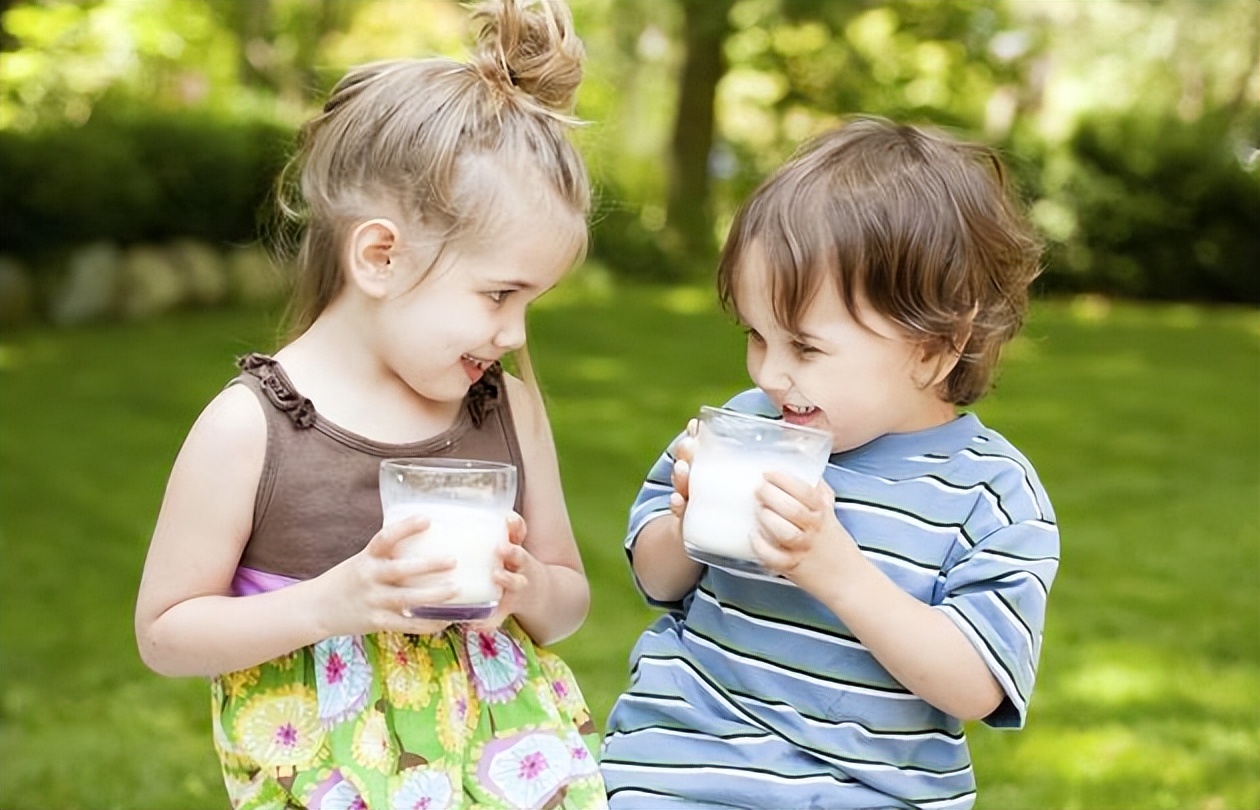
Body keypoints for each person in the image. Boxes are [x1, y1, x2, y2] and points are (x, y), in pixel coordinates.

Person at [134, 1, 608, 807]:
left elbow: (567, 597)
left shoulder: (508, 409)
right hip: (331, 775)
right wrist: (333, 602)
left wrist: (527, 588)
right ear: (380, 256)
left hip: (507, 766)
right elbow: (166, 634)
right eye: (500, 293)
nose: (515, 330)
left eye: (533, 300)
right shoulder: (252, 428)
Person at [600, 117, 1060, 809]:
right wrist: (686, 521)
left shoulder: (989, 495)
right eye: (757, 336)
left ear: (935, 345)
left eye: (805, 348)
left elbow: (976, 685)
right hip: (680, 769)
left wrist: (837, 573)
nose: (771, 374)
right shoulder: (749, 426)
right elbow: (656, 578)